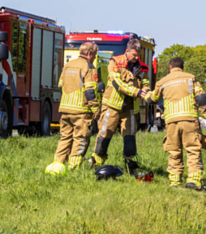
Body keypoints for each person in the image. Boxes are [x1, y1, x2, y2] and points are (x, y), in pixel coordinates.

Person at [144, 57, 206, 189]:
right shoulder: (190, 78)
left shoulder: (162, 82)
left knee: (174, 151)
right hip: (189, 119)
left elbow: (152, 99)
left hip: (171, 122)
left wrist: (145, 94)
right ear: (182, 67)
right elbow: (201, 98)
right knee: (193, 150)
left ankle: (174, 182)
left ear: (170, 67)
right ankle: (193, 181)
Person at [91, 38, 150, 173]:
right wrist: (137, 92)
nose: (136, 58)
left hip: (129, 107)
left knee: (130, 137)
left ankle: (131, 165)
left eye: (138, 55)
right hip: (111, 105)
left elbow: (145, 82)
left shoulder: (142, 67)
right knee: (105, 135)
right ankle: (97, 162)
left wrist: (146, 91)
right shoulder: (115, 62)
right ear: (127, 51)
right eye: (134, 55)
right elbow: (118, 84)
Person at [46, 42, 99, 174]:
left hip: (65, 109)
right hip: (81, 110)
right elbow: (90, 91)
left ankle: (56, 166)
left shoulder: (67, 65)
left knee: (65, 138)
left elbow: (60, 84)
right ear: (89, 54)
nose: (94, 58)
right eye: (95, 55)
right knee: (80, 139)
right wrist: (96, 110)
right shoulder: (89, 67)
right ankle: (73, 169)